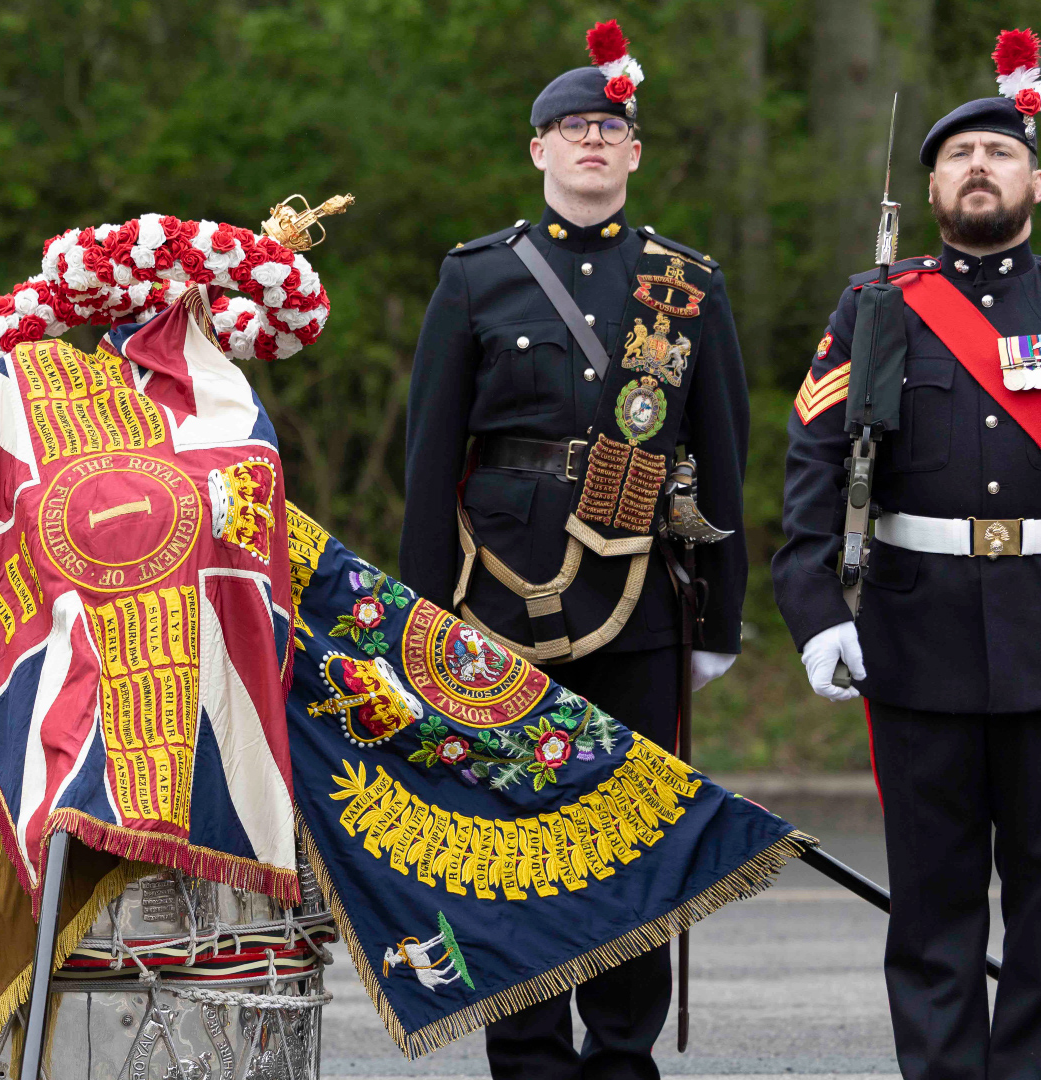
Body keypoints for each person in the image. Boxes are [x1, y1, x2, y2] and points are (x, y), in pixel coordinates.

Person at [399, 19, 749, 1080]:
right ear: (538, 148)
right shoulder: (475, 277)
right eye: (571, 127)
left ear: (635, 154)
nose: (592, 141)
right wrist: (421, 618)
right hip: (496, 597)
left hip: (641, 595)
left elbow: (724, 456)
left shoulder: (686, 284)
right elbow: (428, 461)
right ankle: (531, 1053)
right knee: (512, 833)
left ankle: (624, 1055)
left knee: (630, 830)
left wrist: (719, 621)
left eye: (610, 128)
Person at [775, 29, 1041, 1080]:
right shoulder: (876, 308)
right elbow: (814, 465)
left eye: (998, 151)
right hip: (917, 631)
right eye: (957, 155)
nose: (978, 166)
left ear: (1035, 179)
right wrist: (817, 608)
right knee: (932, 904)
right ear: (930, 188)